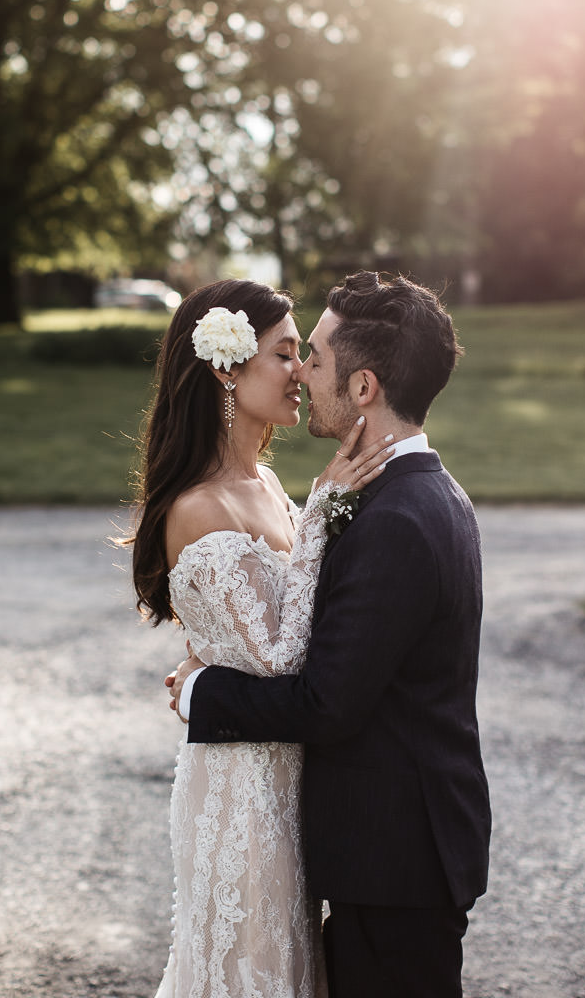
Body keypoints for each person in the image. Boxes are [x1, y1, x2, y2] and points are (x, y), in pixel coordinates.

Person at [164, 272, 491, 998]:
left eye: (310, 354)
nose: (304, 372)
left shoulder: (397, 519)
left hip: (396, 857)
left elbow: (325, 701)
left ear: (364, 387)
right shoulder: (401, 494)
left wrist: (202, 691)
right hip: (374, 851)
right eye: (291, 353)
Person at [129, 277, 395, 998]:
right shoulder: (198, 508)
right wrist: (325, 513)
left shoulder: (269, 486)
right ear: (226, 366)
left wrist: (204, 663)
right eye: (284, 354)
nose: (303, 373)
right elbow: (280, 659)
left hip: (292, 781)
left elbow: (262, 625)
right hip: (240, 791)